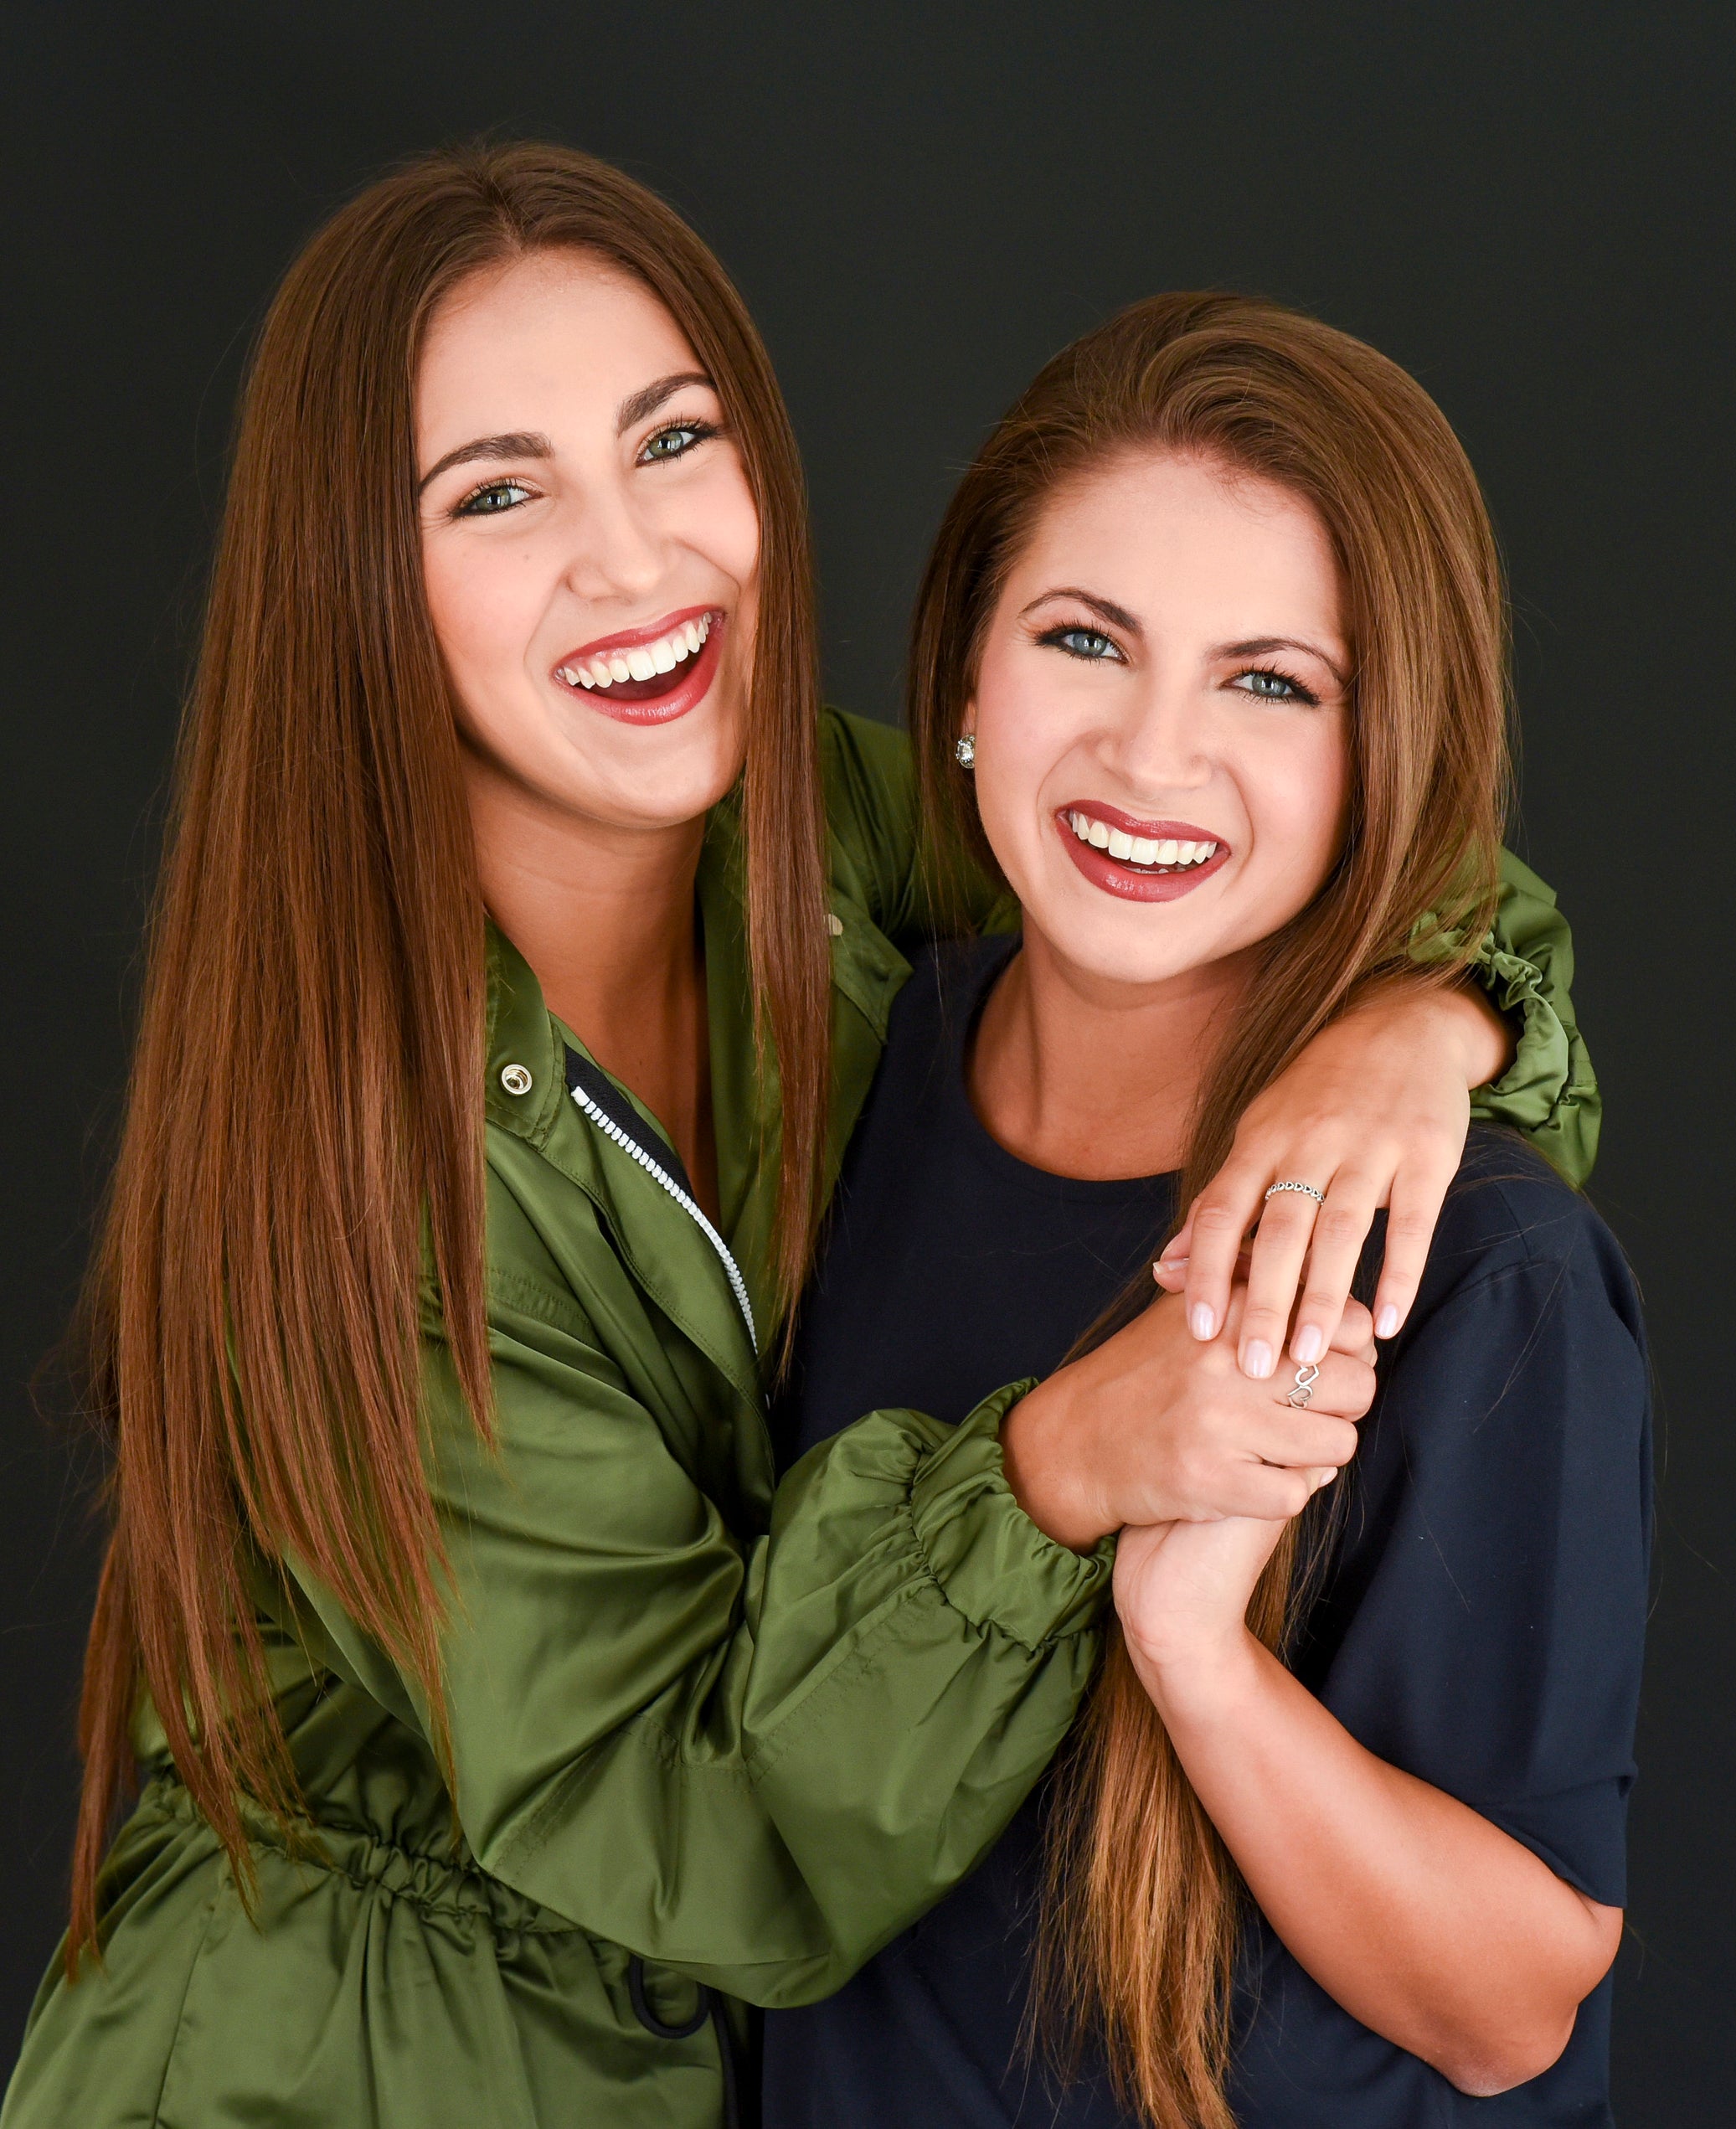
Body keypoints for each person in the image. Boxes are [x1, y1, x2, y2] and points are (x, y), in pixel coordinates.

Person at [3, 147, 1594, 2129]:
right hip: (348, 2065)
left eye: (671, 443)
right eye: (497, 492)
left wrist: (1423, 1019)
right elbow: (703, 1814)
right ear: (358, 582)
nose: (632, 559)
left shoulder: (834, 851)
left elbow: (1199, 843)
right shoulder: (342, 1177)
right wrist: (1059, 1465)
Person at [762, 292, 1646, 2128]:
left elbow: (1509, 2010)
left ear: (1375, 756)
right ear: (961, 684)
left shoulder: (1479, 1262)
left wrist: (1192, 1651)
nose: (1151, 757)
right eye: (1084, 639)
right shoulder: (827, 1091)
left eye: (1269, 681)